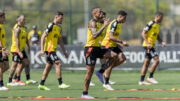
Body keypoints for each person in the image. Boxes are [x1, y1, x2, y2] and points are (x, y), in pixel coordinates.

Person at [82, 7, 113, 99]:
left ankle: (100, 72)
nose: (101, 13)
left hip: (98, 48)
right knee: (90, 72)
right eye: (99, 12)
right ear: (95, 14)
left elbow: (100, 37)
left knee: (115, 55)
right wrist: (104, 26)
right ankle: (85, 93)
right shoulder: (93, 22)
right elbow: (94, 35)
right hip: (90, 49)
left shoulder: (100, 23)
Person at [38, 11, 70, 90]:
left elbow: (61, 41)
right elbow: (42, 37)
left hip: (53, 50)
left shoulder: (59, 28)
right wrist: (42, 50)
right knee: (58, 63)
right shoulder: (50, 25)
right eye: (61, 18)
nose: (62, 20)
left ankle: (41, 84)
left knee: (48, 67)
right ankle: (60, 83)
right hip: (49, 50)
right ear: (56, 17)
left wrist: (64, 52)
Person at [100, 10, 128, 90]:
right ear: (120, 17)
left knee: (122, 58)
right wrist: (121, 42)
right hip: (107, 45)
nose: (125, 20)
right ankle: (106, 83)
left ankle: (106, 69)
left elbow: (113, 38)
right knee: (113, 60)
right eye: (124, 18)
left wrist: (117, 44)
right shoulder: (114, 23)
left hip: (113, 45)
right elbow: (111, 36)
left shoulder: (119, 24)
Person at [139, 12, 165, 85]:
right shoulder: (151, 23)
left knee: (146, 63)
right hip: (148, 46)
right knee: (157, 60)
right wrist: (147, 43)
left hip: (151, 46)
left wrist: (161, 41)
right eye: (161, 17)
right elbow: (143, 33)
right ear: (157, 16)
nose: (162, 19)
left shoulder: (158, 26)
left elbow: (157, 36)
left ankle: (141, 81)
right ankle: (150, 77)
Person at [7, 15, 29, 86]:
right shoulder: (17, 29)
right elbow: (16, 40)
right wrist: (19, 51)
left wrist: (28, 46)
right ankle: (9, 81)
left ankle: (16, 79)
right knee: (14, 66)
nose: (24, 21)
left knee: (25, 62)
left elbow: (25, 38)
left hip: (22, 49)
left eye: (25, 19)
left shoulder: (23, 28)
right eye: (23, 19)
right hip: (16, 49)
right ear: (19, 20)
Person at [0, 11, 9, 90]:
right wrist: (2, 50)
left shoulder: (2, 26)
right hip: (0, 50)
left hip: (3, 49)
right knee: (0, 67)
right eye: (3, 17)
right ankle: (1, 85)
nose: (4, 18)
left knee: (6, 66)